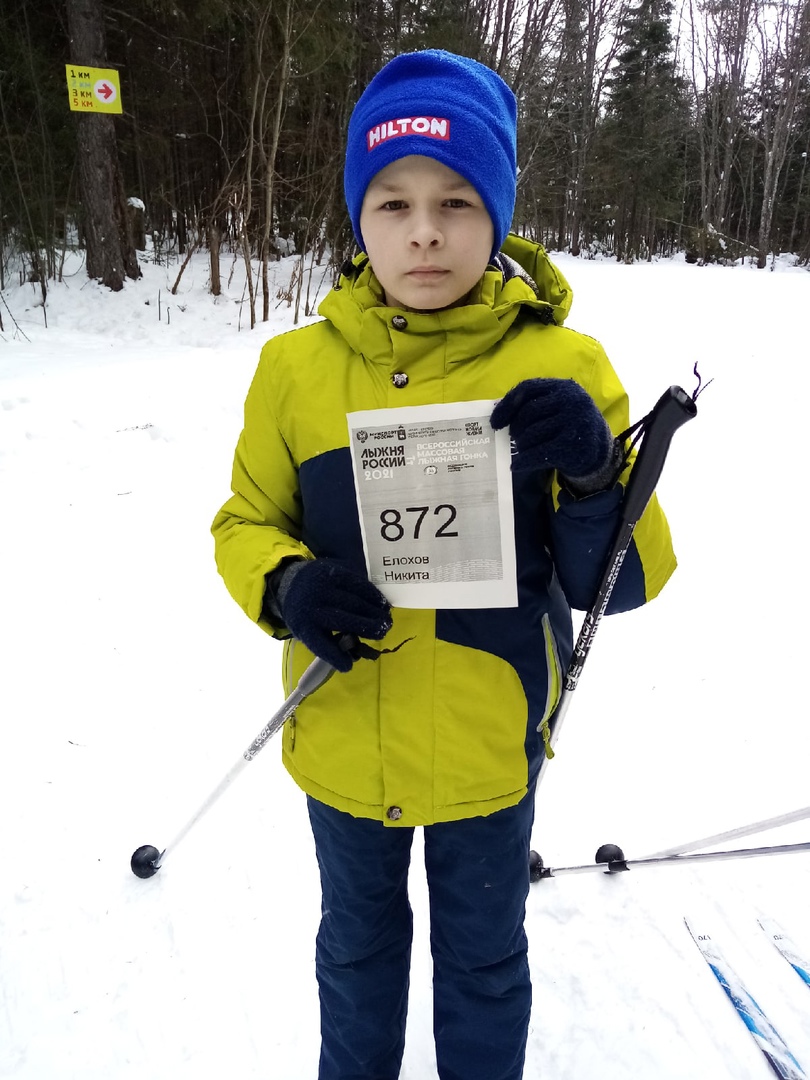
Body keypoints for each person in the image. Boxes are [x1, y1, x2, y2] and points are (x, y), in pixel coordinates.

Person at [212, 49, 676, 1080]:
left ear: (497, 214)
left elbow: (628, 581)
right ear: (360, 218)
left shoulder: (565, 366)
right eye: (393, 203)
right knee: (357, 950)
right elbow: (245, 522)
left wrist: (595, 476)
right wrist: (288, 584)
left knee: (484, 960)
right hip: (344, 730)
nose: (424, 231)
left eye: (457, 202)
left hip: (488, 738)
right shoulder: (293, 371)